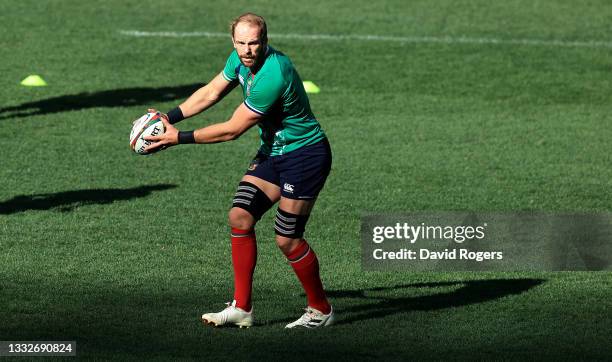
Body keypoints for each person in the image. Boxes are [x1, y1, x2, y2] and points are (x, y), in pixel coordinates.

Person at [144, 13, 334, 329]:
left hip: (305, 156)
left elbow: (233, 129)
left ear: (265, 41)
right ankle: (242, 307)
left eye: (254, 43)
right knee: (240, 217)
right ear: (234, 41)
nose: (247, 50)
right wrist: (170, 116)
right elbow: (211, 92)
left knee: (287, 239)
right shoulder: (238, 59)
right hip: (274, 153)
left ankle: (321, 310)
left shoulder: (273, 73)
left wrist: (177, 137)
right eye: (242, 43)